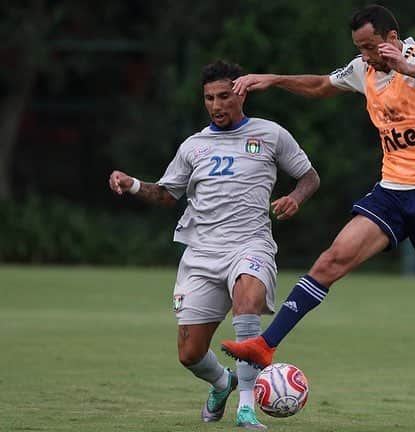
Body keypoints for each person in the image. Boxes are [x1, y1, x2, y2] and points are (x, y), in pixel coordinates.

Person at [220, 4, 415, 370]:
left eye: (369, 46)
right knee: (331, 260)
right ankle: (265, 346)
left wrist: (405, 66)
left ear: (392, 39)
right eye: (359, 48)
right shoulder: (362, 69)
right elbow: (321, 85)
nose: (364, 55)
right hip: (392, 193)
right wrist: (273, 79)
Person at [108, 60, 320, 429]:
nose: (217, 105)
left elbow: (309, 176)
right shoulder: (193, 146)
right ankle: (224, 383)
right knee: (189, 354)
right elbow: (167, 194)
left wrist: (296, 198)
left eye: (224, 96)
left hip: (250, 244)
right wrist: (134, 185)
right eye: (209, 98)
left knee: (247, 301)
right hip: (202, 253)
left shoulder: (271, 135)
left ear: (241, 93)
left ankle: (247, 407)